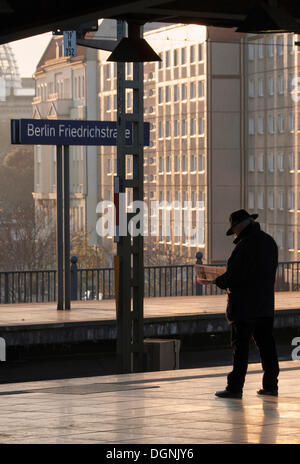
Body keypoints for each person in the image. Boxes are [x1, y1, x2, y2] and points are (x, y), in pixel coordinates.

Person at [200, 209, 280, 399]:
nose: (234, 233)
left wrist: (218, 280)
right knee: (267, 347)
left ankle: (235, 387)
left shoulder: (244, 246)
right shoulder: (269, 242)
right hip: (265, 305)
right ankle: (271, 386)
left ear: (239, 225)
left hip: (244, 307)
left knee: (240, 348)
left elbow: (235, 276)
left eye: (234, 229)